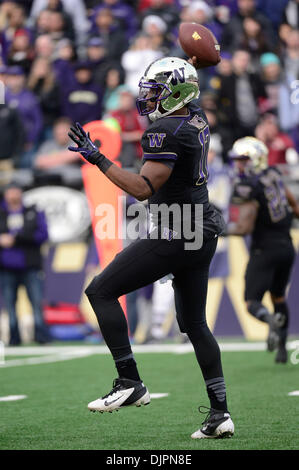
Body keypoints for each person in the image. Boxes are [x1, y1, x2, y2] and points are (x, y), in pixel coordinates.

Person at [68, 56, 234, 439]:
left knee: (100, 290)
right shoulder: (196, 116)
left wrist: (97, 157)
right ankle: (220, 413)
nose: (148, 97)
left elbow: (143, 189)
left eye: (155, 90)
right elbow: (188, 88)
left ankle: (130, 381)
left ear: (176, 92)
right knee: (195, 324)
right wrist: (190, 60)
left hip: (176, 233)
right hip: (201, 230)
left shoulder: (165, 130)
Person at [227, 136, 299, 363]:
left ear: (256, 159)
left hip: (264, 249)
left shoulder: (249, 185)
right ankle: (282, 350)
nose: (239, 164)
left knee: (251, 302)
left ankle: (270, 322)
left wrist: (219, 229)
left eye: (243, 159)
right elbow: (294, 204)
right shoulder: (274, 174)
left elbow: (244, 228)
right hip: (287, 247)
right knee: (278, 297)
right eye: (237, 160)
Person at [0, 182, 50, 345]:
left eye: (16, 191)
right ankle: (14, 338)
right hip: (6, 267)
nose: (13, 195)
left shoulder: (32, 211)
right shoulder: (1, 212)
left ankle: (41, 336)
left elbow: (42, 235)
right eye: (10, 192)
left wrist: (16, 238)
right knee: (10, 304)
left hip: (30, 265)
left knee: (36, 302)